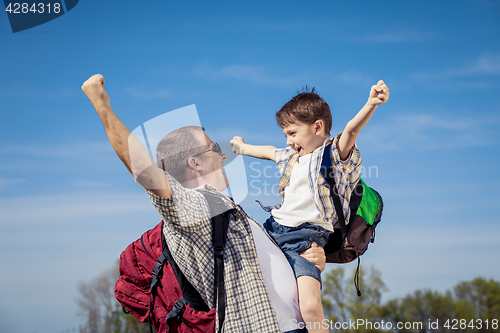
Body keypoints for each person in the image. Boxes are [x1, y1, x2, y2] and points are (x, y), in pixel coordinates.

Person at [81, 74, 327, 333]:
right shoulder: (194, 209)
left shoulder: (224, 210)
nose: (223, 156)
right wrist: (102, 105)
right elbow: (145, 171)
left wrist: (311, 258)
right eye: (214, 150)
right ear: (195, 163)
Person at [230, 81, 390, 333]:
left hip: (306, 241)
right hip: (273, 229)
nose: (289, 141)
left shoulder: (333, 156)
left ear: (317, 127)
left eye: (292, 133)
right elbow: (270, 152)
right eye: (285, 135)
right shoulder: (291, 157)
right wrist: (242, 147)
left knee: (310, 307)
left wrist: (371, 104)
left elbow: (351, 130)